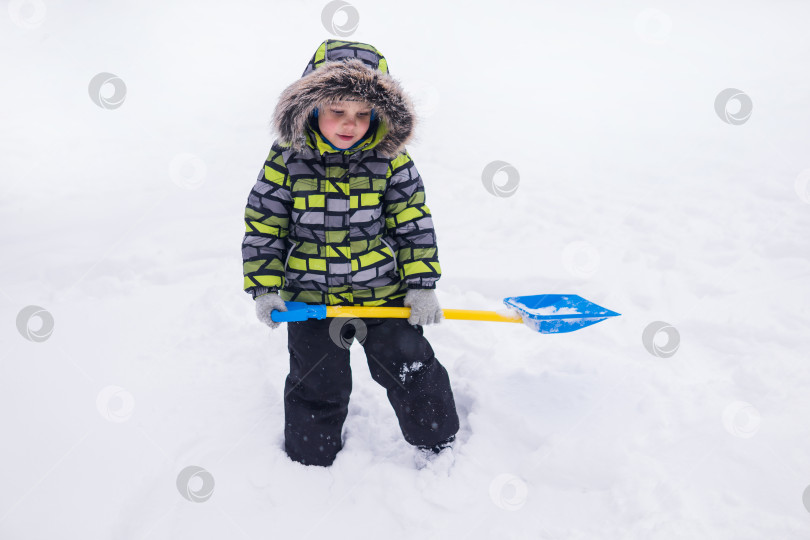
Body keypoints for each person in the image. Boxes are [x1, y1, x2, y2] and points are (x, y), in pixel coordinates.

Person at [241, 39, 460, 467]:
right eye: (337, 111)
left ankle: (439, 442)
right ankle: (311, 460)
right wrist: (265, 288)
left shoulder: (391, 160)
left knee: (411, 366)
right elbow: (265, 223)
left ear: (381, 116)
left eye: (363, 114)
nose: (349, 124)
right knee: (316, 381)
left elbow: (411, 222)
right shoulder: (287, 160)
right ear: (310, 108)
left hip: (381, 295)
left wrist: (420, 286)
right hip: (312, 301)